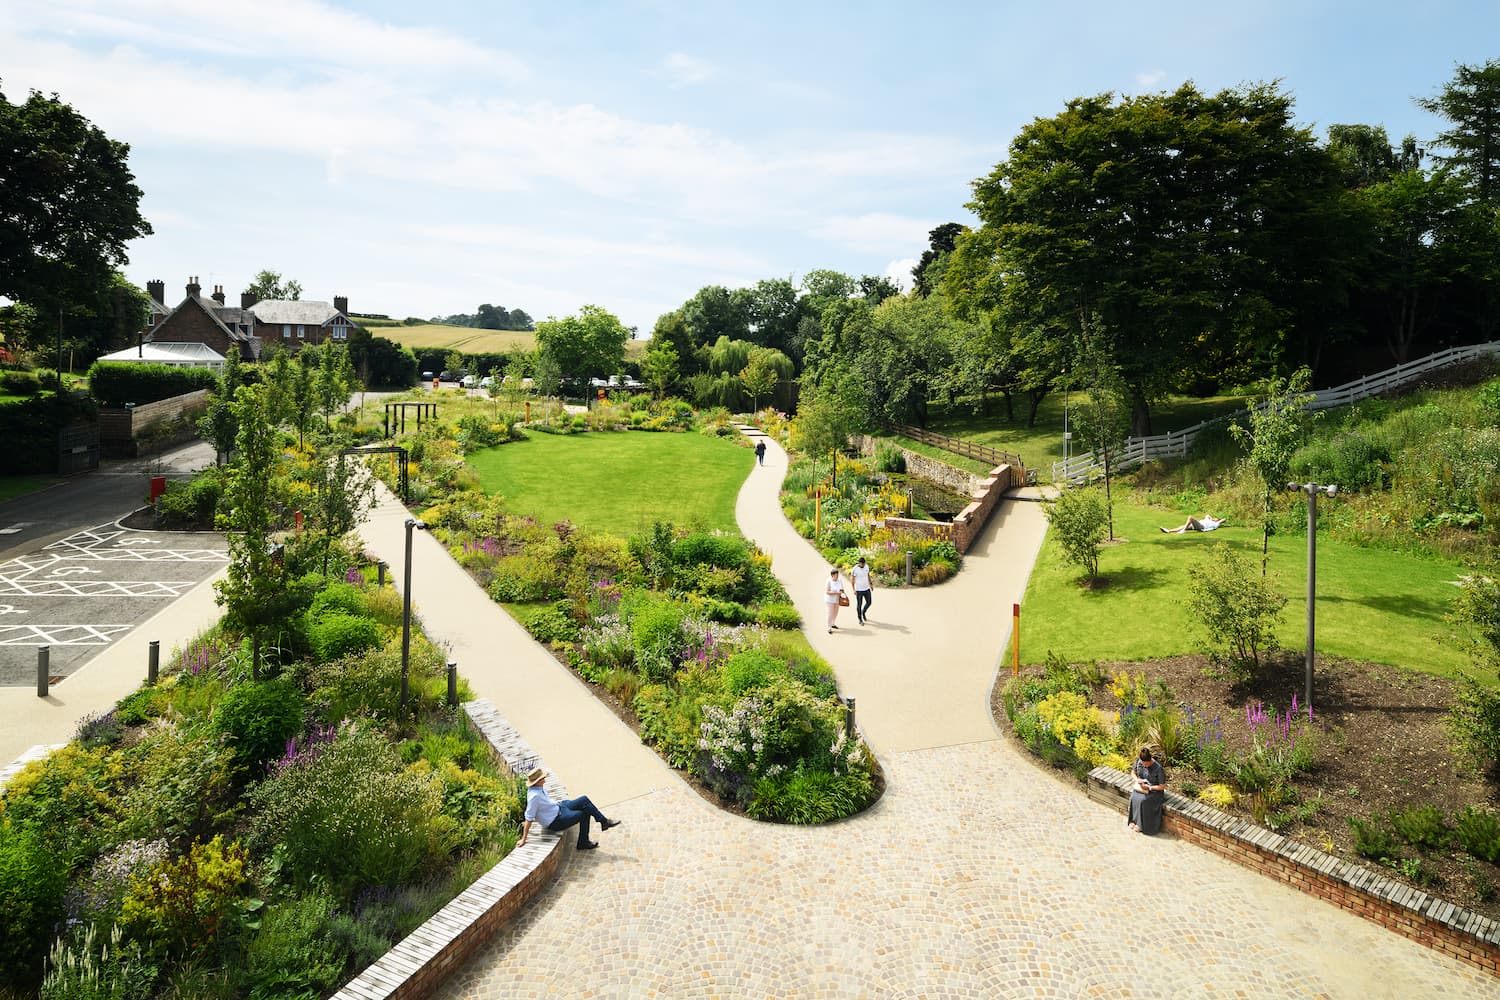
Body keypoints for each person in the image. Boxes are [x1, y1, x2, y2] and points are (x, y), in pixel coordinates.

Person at [518, 766, 621, 851]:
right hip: (556, 821)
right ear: (536, 781)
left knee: (584, 800)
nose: (544, 780)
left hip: (559, 807)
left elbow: (540, 809)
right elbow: (529, 817)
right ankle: (583, 843)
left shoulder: (537, 788)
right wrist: (524, 839)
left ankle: (604, 822)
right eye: (542, 779)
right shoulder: (534, 797)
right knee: (584, 813)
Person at [1127, 747, 1166, 835]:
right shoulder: (1139, 761)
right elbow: (1133, 773)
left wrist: (1149, 788)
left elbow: (1162, 786)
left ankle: (1142, 825)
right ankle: (1134, 820)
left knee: (1143, 800)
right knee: (1134, 797)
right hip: (1142, 787)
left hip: (1155, 791)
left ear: (1150, 760)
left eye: (1146, 764)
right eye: (1143, 764)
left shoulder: (1158, 768)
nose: (1144, 766)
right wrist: (1137, 780)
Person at [850, 556, 873, 625]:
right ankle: (860, 619)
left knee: (869, 602)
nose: (862, 565)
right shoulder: (855, 569)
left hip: (866, 588)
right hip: (859, 590)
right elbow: (852, 580)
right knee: (859, 604)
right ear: (859, 563)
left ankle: (863, 612)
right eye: (861, 564)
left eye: (863, 564)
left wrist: (871, 584)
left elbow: (868, 575)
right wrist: (853, 589)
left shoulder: (866, 567)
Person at [824, 567, 848, 634]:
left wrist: (842, 591)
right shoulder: (828, 581)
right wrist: (836, 593)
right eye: (836, 575)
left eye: (838, 575)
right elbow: (827, 592)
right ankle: (829, 627)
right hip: (829, 600)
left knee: (835, 613)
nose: (837, 576)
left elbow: (842, 588)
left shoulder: (839, 580)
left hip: (837, 600)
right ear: (832, 575)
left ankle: (833, 624)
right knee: (830, 613)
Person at [1160, 514, 1224, 534]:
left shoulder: (1216, 524)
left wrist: (1217, 520)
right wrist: (1212, 518)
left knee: (1190, 517)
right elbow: (1207, 515)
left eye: (1216, 519)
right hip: (1197, 525)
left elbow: (1224, 519)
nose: (1215, 519)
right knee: (1183, 525)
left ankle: (1183, 531)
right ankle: (1168, 531)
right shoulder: (1208, 519)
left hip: (1202, 527)